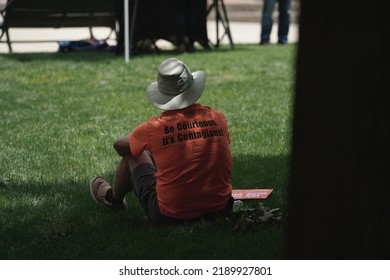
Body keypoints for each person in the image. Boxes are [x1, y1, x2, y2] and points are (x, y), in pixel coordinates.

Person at [90, 58, 234, 225]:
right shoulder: (218, 117)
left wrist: (146, 148)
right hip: (221, 207)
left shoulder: (154, 128)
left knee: (134, 153)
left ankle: (113, 198)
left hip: (171, 215)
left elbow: (119, 145)